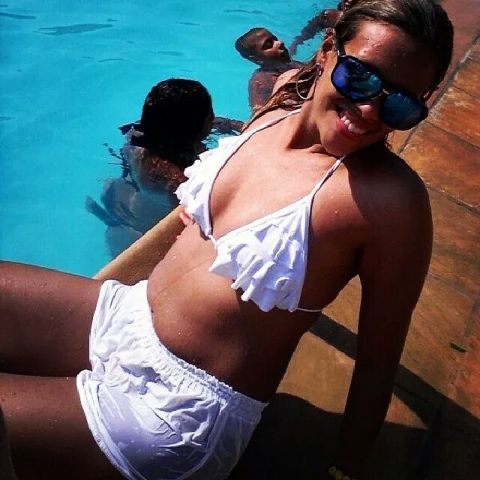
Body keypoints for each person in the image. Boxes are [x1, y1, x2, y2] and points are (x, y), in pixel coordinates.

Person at [0, 1, 454, 479]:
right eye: (360, 77)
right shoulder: (276, 103)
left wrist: (347, 468)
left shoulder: (390, 203)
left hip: (176, 414)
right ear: (327, 51)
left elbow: (379, 359)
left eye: (401, 103)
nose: (369, 110)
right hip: (127, 315)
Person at [86, 78, 243, 258]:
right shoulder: (178, 178)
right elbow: (190, 219)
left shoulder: (138, 135)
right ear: (197, 126)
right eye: (210, 115)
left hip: (124, 191)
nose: (214, 118)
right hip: (148, 220)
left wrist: (234, 125)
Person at [235, 27, 303, 112]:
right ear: (256, 59)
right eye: (269, 45)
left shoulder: (289, 64)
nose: (280, 42)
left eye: (275, 39)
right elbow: (260, 114)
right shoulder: (261, 84)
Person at [289, 0, 360, 56]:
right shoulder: (328, 16)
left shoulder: (362, 29)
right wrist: (295, 44)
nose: (350, 0)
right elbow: (307, 33)